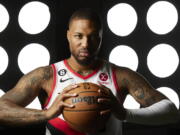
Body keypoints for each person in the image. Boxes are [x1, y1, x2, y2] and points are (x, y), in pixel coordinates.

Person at [0, 8, 179, 135]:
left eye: (93, 37)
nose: (85, 43)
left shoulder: (120, 75)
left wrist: (124, 113)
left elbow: (171, 111)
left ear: (101, 37)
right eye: (79, 36)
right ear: (68, 35)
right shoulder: (46, 76)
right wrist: (47, 114)